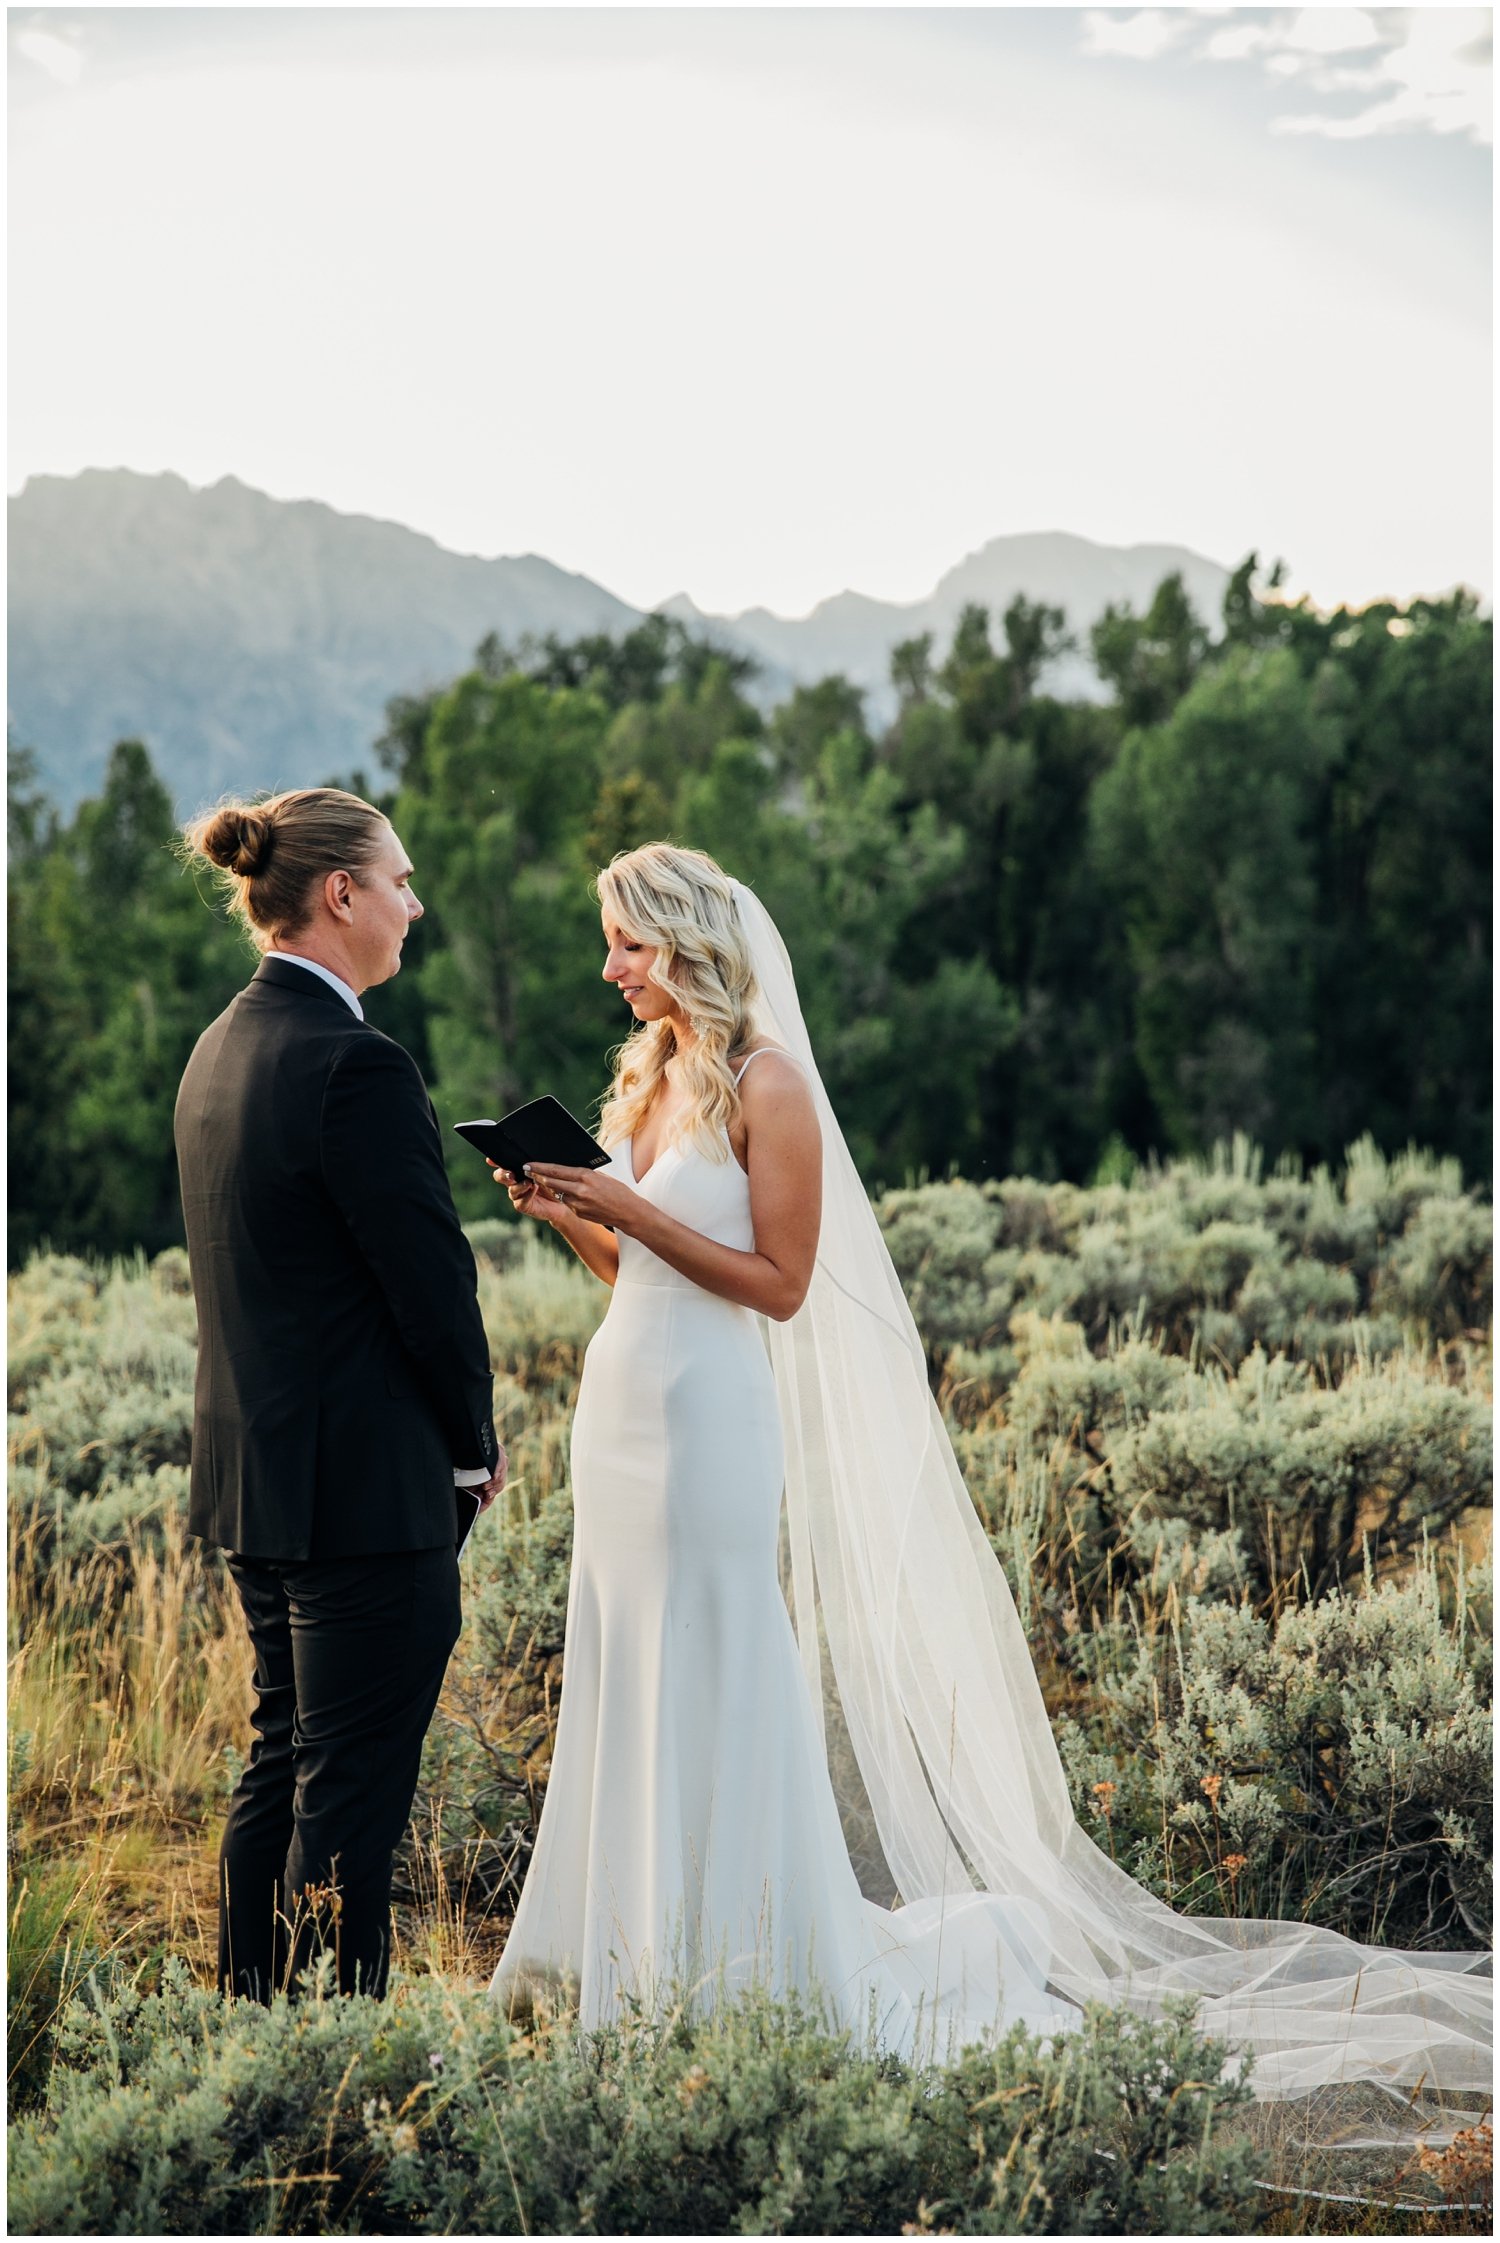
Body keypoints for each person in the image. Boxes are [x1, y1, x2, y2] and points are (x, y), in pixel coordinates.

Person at [487, 841, 1489, 2158]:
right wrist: (566, 1206)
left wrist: (623, 1199)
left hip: (713, 1421)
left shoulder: (766, 1082)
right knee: (632, 1659)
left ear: (684, 941)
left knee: (717, 1655)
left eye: (624, 941)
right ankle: (637, 1955)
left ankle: (750, 1959)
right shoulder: (645, 1075)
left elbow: (779, 1281)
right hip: (623, 1408)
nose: (608, 966)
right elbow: (637, 1273)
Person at [176, 787, 504, 2002]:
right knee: (351, 1796)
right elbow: (432, 1288)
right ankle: (328, 2063)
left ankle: (251, 2032)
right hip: (365, 1499)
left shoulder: (219, 1047)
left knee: (282, 1762)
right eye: (402, 881)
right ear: (342, 894)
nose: (416, 904)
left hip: (257, 1485)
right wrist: (473, 1445)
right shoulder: (355, 1064)